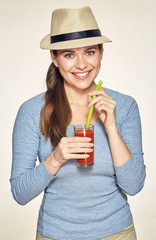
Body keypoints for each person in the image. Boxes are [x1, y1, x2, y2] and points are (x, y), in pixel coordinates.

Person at [10, 6, 146, 240]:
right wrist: (56, 158)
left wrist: (111, 127)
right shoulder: (32, 112)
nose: (82, 64)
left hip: (117, 233)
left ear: (101, 52)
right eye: (69, 54)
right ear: (54, 57)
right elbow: (20, 193)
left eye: (90, 52)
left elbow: (133, 186)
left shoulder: (124, 106)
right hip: (55, 234)